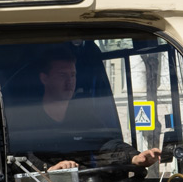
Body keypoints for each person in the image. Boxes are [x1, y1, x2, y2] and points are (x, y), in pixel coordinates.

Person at [10, 46, 161, 170]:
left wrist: (134, 157)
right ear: (44, 78)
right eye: (62, 75)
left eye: (73, 75)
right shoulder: (27, 121)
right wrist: (49, 169)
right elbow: (19, 159)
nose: (70, 82)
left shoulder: (83, 117)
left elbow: (107, 144)